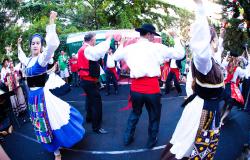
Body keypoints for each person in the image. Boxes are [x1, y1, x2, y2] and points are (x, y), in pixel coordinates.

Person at [161, 0, 225, 159]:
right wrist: (201, 10)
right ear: (211, 40)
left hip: (207, 106)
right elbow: (202, 47)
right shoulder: (203, 60)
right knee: (188, 144)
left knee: (198, 145)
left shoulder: (212, 59)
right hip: (202, 109)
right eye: (216, 38)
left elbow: (217, 52)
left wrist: (222, 36)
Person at [17, 11, 85, 160]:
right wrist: (18, 44)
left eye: (38, 43)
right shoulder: (28, 61)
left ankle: (57, 151)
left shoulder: (42, 59)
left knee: (50, 122)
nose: (35, 45)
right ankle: (54, 148)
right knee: (40, 125)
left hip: (43, 97)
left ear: (41, 46)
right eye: (33, 43)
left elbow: (53, 44)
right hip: (32, 99)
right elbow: (20, 55)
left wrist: (51, 21)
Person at [114, 24, 185, 148]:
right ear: (148, 34)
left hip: (136, 88)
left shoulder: (130, 48)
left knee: (135, 113)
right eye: (153, 35)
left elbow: (115, 57)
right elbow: (180, 54)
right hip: (151, 88)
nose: (153, 37)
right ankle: (151, 141)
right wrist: (176, 37)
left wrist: (121, 43)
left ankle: (127, 138)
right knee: (154, 115)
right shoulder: (157, 47)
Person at [78, 32, 112, 134]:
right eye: (95, 39)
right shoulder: (87, 49)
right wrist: (108, 39)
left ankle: (89, 118)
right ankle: (96, 127)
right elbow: (98, 52)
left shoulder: (83, 48)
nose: (95, 41)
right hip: (89, 81)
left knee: (89, 100)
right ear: (92, 40)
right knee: (96, 103)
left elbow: (96, 50)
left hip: (86, 80)